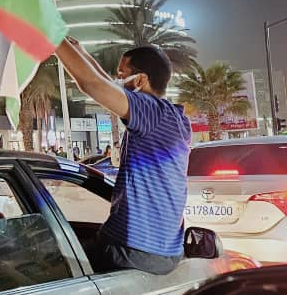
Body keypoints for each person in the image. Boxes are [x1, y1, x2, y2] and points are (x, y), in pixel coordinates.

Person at [56, 37, 189, 275]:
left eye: (121, 74)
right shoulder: (175, 118)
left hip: (133, 250)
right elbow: (106, 83)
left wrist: (49, 38)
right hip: (165, 251)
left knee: (46, 267)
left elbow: (93, 84)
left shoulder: (150, 110)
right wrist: (81, 51)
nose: (117, 80)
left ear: (140, 80)